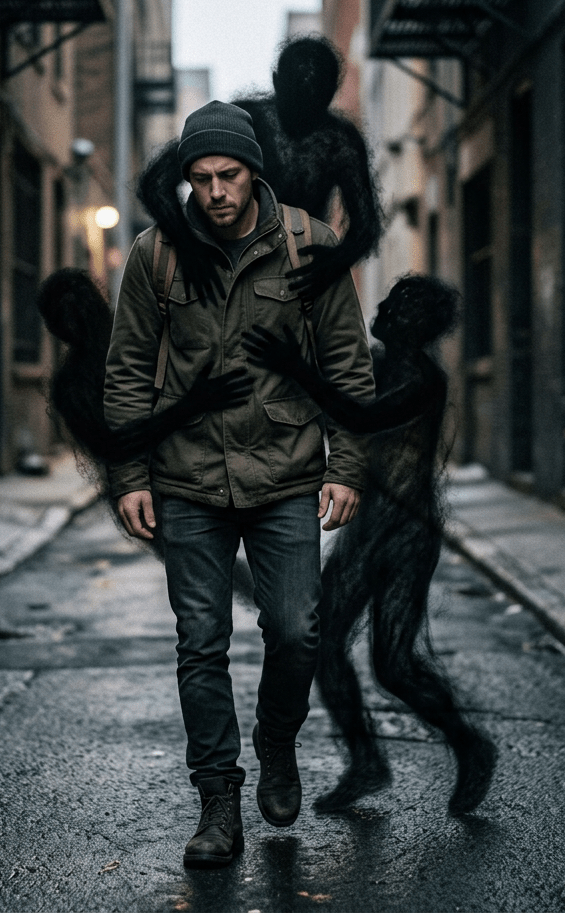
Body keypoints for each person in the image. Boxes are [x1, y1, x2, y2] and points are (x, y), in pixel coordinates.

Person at [104, 100, 376, 867]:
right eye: (200, 179)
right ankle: (218, 802)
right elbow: (125, 372)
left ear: (252, 171)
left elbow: (347, 366)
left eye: (227, 175)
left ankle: (276, 740)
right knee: (201, 643)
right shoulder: (157, 256)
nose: (215, 192)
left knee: (297, 631)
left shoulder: (307, 247)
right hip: (186, 482)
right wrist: (129, 473)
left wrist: (348, 464)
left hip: (286, 475)